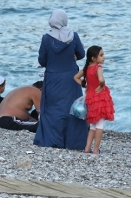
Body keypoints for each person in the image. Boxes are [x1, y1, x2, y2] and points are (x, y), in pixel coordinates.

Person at [34, 10, 88, 150]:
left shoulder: (47, 38)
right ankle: (73, 142)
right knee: (72, 108)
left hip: (53, 77)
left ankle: (52, 141)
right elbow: (81, 54)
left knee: (53, 108)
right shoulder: (73, 35)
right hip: (71, 77)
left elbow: (42, 60)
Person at [73, 46, 115, 154]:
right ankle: (96, 149)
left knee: (92, 125)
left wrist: (84, 85)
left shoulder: (86, 68)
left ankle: (87, 148)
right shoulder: (98, 68)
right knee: (99, 125)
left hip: (90, 98)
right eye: (101, 55)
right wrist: (102, 86)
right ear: (93, 58)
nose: (104, 57)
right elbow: (101, 79)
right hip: (100, 98)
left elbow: (76, 77)